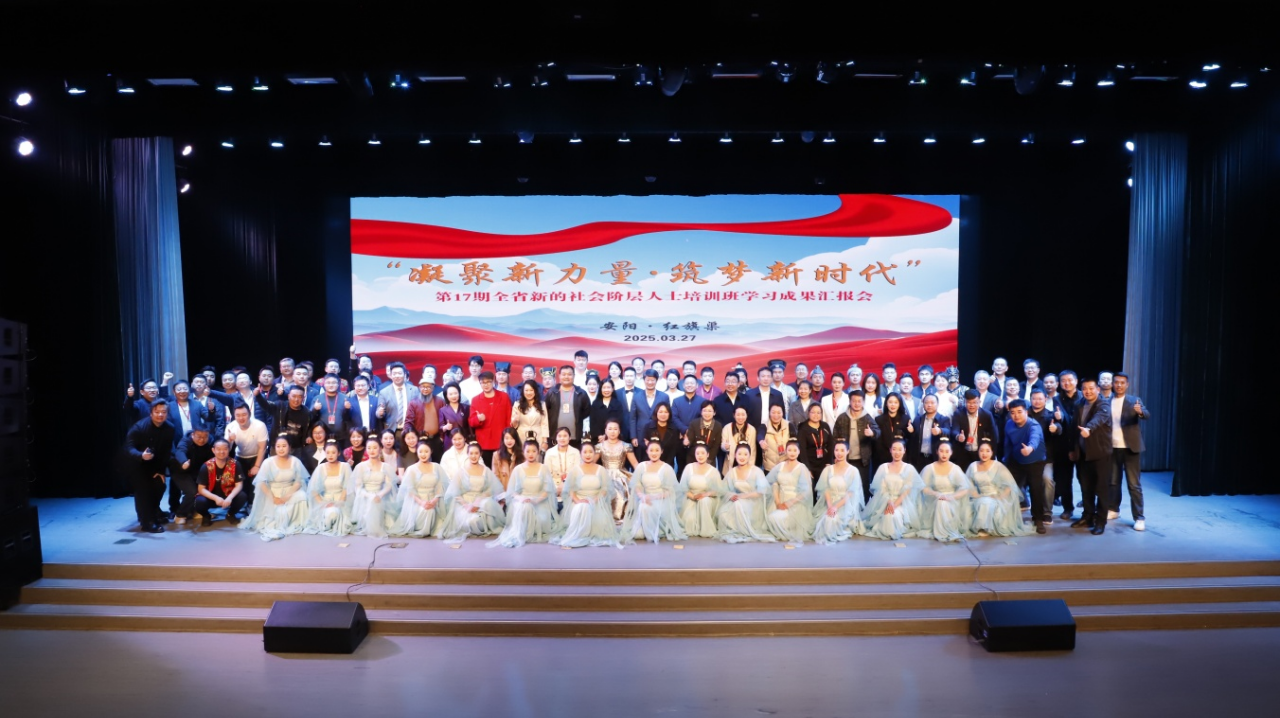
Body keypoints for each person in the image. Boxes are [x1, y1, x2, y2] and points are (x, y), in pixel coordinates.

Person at [488, 440, 558, 548]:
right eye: (528, 451)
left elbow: (547, 491)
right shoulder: (518, 469)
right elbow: (512, 492)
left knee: (538, 517)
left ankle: (525, 532)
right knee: (525, 506)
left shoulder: (543, 468)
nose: (531, 454)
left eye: (534, 451)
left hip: (539, 502)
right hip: (521, 501)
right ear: (523, 452)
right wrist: (521, 498)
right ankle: (520, 534)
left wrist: (535, 501)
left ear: (538, 452)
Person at [551, 442, 621, 548]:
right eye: (585, 452)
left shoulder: (601, 469)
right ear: (581, 454)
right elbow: (570, 489)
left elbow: (605, 489)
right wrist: (578, 501)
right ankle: (575, 537)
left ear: (594, 453)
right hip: (578, 502)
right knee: (582, 507)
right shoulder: (575, 470)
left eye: (590, 452)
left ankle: (580, 536)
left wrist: (594, 500)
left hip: (596, 502)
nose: (588, 455)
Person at [241, 435, 310, 541]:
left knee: (302, 496)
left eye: (284, 446)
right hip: (272, 492)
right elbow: (261, 483)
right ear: (275, 448)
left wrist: (286, 497)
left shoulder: (295, 461)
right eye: (278, 446)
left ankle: (296, 522)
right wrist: (273, 498)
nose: (281, 449)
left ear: (290, 447)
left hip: (289, 491)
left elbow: (299, 481)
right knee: (278, 514)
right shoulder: (268, 462)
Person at [619, 440, 686, 544]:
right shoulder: (641, 466)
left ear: (661, 451)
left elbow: (670, 491)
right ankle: (647, 530)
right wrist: (641, 496)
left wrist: (653, 498)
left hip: (661, 500)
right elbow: (637, 484)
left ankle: (652, 532)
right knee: (642, 510)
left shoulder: (667, 468)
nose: (654, 453)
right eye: (651, 450)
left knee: (645, 507)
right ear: (647, 451)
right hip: (644, 498)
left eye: (657, 450)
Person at [125, 399, 175, 532]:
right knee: (143, 491)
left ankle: (153, 512)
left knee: (160, 486)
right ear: (151, 413)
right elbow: (128, 448)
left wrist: (161, 471)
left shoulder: (170, 428)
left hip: (154, 465)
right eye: (157, 412)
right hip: (137, 464)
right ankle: (147, 522)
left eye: (163, 412)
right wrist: (141, 455)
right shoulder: (139, 427)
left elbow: (166, 452)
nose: (160, 415)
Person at [1109, 372, 1150, 531]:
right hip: (1112, 447)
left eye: (1122, 382)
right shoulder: (1107, 401)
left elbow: (1146, 414)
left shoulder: (1134, 400)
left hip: (1130, 448)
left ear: (1127, 385)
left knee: (1134, 484)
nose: (1119, 385)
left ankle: (1139, 517)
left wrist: (1140, 412)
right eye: (1116, 382)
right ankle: (1113, 510)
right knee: (1113, 481)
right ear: (1113, 384)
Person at [966, 439, 1031, 538]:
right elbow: (968, 485)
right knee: (972, 505)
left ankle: (984, 528)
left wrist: (999, 497)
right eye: (981, 450)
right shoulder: (973, 466)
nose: (984, 454)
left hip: (995, 497)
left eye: (987, 451)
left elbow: (1009, 486)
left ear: (992, 452)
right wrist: (976, 495)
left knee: (986, 502)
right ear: (978, 451)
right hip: (979, 496)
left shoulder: (998, 466)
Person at [1002, 398, 1048, 533]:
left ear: (1026, 412)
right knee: (1009, 488)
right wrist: (1005, 460)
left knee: (1035, 489)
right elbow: (1007, 444)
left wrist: (1030, 448)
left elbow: (1035, 438)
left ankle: (1038, 519)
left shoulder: (1034, 425)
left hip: (1035, 461)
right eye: (1013, 412)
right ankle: (1006, 518)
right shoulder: (1009, 424)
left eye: (1019, 412)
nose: (1016, 415)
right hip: (1016, 460)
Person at [862, 439, 923, 540]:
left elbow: (907, 491)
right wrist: (889, 502)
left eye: (900, 449)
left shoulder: (909, 468)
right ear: (890, 450)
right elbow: (881, 489)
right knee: (886, 515)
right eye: (894, 449)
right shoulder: (883, 467)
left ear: (904, 450)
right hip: (884, 501)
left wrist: (894, 505)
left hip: (901, 503)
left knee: (892, 515)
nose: (897, 452)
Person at [716, 442, 775, 543]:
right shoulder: (732, 472)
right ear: (735, 455)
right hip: (738, 500)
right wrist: (731, 495)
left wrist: (743, 496)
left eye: (745, 454)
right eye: (739, 454)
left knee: (738, 504)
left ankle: (745, 530)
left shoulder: (756, 471)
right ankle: (737, 529)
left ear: (749, 456)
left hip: (753, 502)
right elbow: (723, 489)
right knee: (723, 514)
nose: (742, 457)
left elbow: (762, 491)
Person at [914, 438, 971, 542]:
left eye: (947, 451)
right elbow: (923, 487)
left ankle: (947, 531)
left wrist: (951, 497)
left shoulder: (955, 469)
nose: (944, 454)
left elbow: (964, 489)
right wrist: (936, 494)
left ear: (951, 452)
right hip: (934, 499)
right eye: (941, 451)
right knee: (941, 502)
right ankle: (943, 533)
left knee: (943, 502)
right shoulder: (929, 468)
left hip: (952, 500)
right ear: (937, 451)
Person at [811, 440, 866, 544]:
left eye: (842, 450)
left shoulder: (853, 471)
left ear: (848, 451)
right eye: (836, 450)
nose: (839, 453)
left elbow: (851, 492)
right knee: (826, 521)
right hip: (829, 503)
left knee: (833, 521)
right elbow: (825, 489)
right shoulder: (828, 469)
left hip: (845, 504)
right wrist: (830, 506)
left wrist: (836, 507)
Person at [390, 442, 447, 537]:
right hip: (416, 502)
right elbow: (410, 490)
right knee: (428, 511)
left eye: (426, 451)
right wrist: (422, 502)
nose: (423, 454)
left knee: (433, 512)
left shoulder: (436, 467)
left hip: (434, 501)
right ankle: (421, 528)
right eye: (420, 451)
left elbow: (440, 486)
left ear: (431, 452)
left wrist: (434, 500)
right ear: (417, 452)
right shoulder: (411, 469)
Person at [765, 439, 814, 545]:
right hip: (779, 500)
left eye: (795, 450)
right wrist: (777, 502)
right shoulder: (780, 466)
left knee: (776, 519)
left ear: (799, 452)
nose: (792, 453)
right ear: (785, 451)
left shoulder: (802, 468)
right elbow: (772, 483)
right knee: (770, 518)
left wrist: (789, 503)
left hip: (796, 502)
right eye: (789, 450)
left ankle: (788, 530)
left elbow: (806, 491)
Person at [832, 389, 879, 498]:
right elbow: (834, 437)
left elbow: (878, 431)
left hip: (863, 460)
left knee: (863, 486)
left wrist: (872, 433)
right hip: (845, 459)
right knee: (846, 486)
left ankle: (863, 508)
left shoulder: (867, 417)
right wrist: (835, 456)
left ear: (863, 402)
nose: (857, 404)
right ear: (849, 401)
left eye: (859, 401)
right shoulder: (842, 417)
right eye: (854, 401)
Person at [194, 438, 248, 529]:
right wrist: (216, 498)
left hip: (228, 496)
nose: (222, 452)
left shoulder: (235, 464)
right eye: (218, 449)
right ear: (213, 450)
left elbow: (239, 485)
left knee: (242, 496)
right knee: (199, 501)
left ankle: (231, 514)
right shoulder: (206, 466)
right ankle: (206, 516)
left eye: (225, 449)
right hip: (211, 497)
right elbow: (201, 489)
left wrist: (230, 498)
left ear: (229, 449)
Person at [307, 440, 354, 537]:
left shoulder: (345, 466)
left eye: (333, 452)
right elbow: (313, 489)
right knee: (330, 513)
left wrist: (339, 503)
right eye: (328, 452)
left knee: (335, 513)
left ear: (338, 453)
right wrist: (322, 504)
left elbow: (347, 487)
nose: (330, 455)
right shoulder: (321, 468)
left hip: (341, 500)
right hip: (325, 500)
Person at [596, 419, 638, 521]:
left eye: (615, 429)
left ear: (619, 431)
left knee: (621, 492)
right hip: (605, 476)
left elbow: (635, 464)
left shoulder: (626, 446)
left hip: (621, 476)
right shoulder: (599, 446)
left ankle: (620, 516)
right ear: (605, 431)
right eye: (610, 429)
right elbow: (591, 463)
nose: (612, 431)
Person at [679, 442, 724, 538]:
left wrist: (705, 495)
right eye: (697, 453)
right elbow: (683, 487)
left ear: (707, 454)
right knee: (689, 521)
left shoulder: (713, 471)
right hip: (691, 498)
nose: (700, 456)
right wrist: (693, 496)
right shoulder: (689, 467)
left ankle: (706, 528)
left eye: (703, 453)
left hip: (707, 499)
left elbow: (718, 490)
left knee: (704, 501)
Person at [171, 426, 214, 525]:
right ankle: (180, 514)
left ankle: (195, 511)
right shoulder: (186, 440)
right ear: (192, 435)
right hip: (181, 471)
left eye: (205, 437)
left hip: (196, 472)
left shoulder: (210, 441)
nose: (202, 440)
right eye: (199, 436)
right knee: (191, 491)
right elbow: (180, 451)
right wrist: (184, 461)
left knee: (203, 489)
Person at [468, 371, 513, 464]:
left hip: (501, 441)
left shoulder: (504, 397)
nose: (486, 385)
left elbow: (509, 418)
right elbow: (471, 422)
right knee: (486, 469)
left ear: (493, 381)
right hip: (484, 443)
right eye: (483, 382)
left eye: (488, 382)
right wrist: (478, 419)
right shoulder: (475, 400)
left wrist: (508, 437)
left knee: (502, 468)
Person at [951, 389, 1000, 470]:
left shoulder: (986, 415)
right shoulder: (958, 414)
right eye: (969, 402)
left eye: (974, 402)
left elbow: (994, 436)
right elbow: (954, 430)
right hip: (963, 452)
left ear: (979, 402)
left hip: (980, 453)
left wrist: (992, 455)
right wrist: (958, 436)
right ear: (964, 402)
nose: (972, 405)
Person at [545, 366, 591, 448]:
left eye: (569, 374)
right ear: (559, 376)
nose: (566, 377)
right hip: (555, 436)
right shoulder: (552, 392)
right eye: (564, 374)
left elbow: (587, 411)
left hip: (575, 437)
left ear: (574, 376)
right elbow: (545, 412)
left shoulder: (581, 393)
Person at [405, 370, 444, 459]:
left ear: (433, 388)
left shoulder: (440, 401)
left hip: (436, 439)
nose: (425, 389)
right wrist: (409, 437)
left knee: (436, 463)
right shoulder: (414, 403)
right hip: (420, 440)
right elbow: (408, 421)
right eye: (423, 387)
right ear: (419, 388)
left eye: (428, 387)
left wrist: (442, 437)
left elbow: (444, 420)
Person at [908, 393, 951, 471]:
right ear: (923, 404)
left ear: (937, 404)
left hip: (935, 458)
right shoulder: (918, 419)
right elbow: (913, 439)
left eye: (932, 402)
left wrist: (940, 430)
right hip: (919, 458)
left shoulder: (943, 419)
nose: (929, 405)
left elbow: (948, 431)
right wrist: (910, 431)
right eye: (926, 402)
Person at [628, 369, 669, 448]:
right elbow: (633, 418)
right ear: (644, 380)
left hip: (659, 433)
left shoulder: (664, 397)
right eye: (648, 380)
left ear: (656, 380)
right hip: (640, 434)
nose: (650, 382)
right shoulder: (636, 397)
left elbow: (668, 416)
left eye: (652, 380)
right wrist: (633, 436)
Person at [795, 403, 832, 488]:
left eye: (818, 412)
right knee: (811, 489)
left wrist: (829, 462)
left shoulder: (825, 426)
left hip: (824, 463)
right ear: (808, 413)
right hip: (810, 464)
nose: (816, 415)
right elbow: (802, 450)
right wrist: (807, 469)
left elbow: (831, 445)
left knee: (824, 489)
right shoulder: (803, 428)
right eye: (813, 412)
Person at [640, 403, 682, 472]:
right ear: (656, 413)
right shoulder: (648, 427)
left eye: (666, 412)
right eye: (660, 412)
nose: (663, 414)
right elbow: (642, 443)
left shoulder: (674, 429)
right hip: (650, 463)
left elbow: (674, 449)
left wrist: (665, 464)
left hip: (667, 463)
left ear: (669, 414)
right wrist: (648, 445)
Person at [544, 427, 582, 503]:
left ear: (570, 438)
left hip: (571, 485)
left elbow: (577, 473)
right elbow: (547, 474)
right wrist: (556, 488)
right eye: (559, 436)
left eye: (565, 436)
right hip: (553, 486)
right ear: (556, 438)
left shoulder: (575, 452)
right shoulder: (549, 453)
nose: (562, 438)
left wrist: (565, 484)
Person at [511, 379, 550, 451]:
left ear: (535, 391)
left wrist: (545, 441)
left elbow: (544, 424)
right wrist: (515, 420)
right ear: (523, 391)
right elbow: (514, 426)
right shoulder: (517, 405)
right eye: (526, 390)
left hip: (538, 436)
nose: (529, 393)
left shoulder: (542, 404)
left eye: (531, 390)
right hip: (522, 437)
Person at [377, 362, 413, 437]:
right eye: (394, 374)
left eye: (399, 373)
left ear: (404, 374)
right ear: (390, 375)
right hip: (392, 431)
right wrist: (380, 412)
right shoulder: (384, 392)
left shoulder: (414, 390)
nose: (397, 376)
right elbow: (378, 413)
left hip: (410, 431)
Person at [684, 400, 722, 470]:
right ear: (701, 412)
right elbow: (690, 442)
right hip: (693, 459)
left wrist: (707, 460)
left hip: (709, 460)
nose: (707, 413)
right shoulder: (694, 423)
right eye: (704, 410)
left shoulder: (718, 426)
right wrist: (686, 443)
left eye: (710, 411)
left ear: (714, 413)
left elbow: (716, 446)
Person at [589, 378, 629, 444]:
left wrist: (607, 435)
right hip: (598, 439)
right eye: (604, 387)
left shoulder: (617, 404)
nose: (606, 390)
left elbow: (620, 421)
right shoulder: (595, 404)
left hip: (614, 438)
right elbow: (593, 422)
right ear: (600, 389)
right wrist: (599, 436)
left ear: (613, 389)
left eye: (608, 387)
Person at [760, 403, 794, 472]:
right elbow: (760, 435)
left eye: (779, 413)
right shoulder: (764, 426)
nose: (776, 415)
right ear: (769, 413)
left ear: (783, 413)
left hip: (786, 465)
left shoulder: (789, 425)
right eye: (773, 412)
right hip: (769, 467)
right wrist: (761, 441)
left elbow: (794, 441)